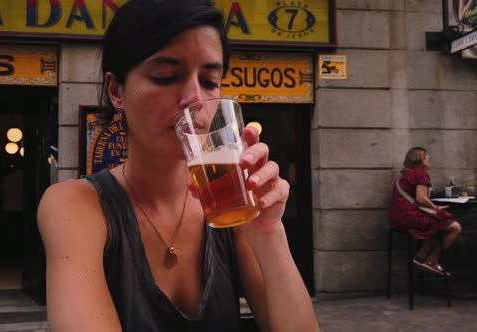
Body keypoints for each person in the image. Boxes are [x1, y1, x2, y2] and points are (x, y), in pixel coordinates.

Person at [37, 0, 318, 331]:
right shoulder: (76, 206)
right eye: (165, 76)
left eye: (210, 82)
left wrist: (269, 232)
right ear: (116, 91)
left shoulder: (231, 207)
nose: (194, 98)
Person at [389, 147, 462, 276]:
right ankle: (430, 260)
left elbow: (414, 201)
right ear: (419, 159)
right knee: (454, 227)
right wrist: (435, 208)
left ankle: (422, 257)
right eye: (427, 157)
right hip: (410, 217)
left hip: (397, 217)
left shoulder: (405, 174)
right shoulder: (420, 173)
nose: (430, 159)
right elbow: (421, 199)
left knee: (439, 224)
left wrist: (434, 209)